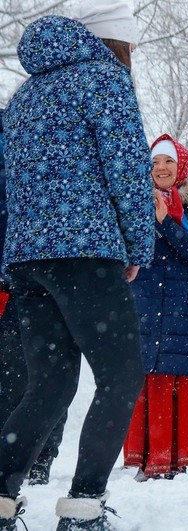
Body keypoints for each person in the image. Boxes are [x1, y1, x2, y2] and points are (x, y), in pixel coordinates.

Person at [0, 1, 154, 529]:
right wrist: (138, 247)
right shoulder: (104, 81)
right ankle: (85, 507)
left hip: (27, 262)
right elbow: (130, 170)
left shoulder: (23, 97)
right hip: (84, 253)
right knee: (121, 374)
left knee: (49, 383)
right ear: (116, 42)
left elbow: (7, 188)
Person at [123, 134, 188, 482]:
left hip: (183, 301)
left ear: (181, 165)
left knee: (172, 373)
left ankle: (173, 456)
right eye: (154, 163)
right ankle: (144, 457)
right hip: (143, 298)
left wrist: (165, 221)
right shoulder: (136, 201)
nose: (161, 168)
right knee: (144, 373)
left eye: (168, 162)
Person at [0, 108, 67, 488]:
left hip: (38, 286)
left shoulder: (43, 157)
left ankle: (39, 457)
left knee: (47, 377)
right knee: (22, 380)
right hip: (19, 285)